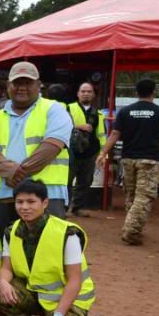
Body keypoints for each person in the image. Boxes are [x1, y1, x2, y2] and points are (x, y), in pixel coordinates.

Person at [0, 179, 110, 316]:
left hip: (66, 299)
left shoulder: (67, 233)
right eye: (20, 202)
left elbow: (75, 281)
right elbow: (6, 267)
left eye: (31, 202)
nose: (24, 207)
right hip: (36, 293)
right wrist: (3, 281)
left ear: (45, 203)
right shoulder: (12, 231)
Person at [0, 61, 73, 235]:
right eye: (17, 83)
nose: (22, 87)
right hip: (5, 195)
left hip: (47, 197)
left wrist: (17, 174)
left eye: (28, 83)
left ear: (39, 85)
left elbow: (51, 148)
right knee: (7, 251)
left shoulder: (54, 110)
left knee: (48, 250)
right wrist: (11, 170)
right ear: (8, 85)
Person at [97, 78, 159, 245]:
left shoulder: (125, 111)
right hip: (149, 159)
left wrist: (103, 153)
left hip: (128, 159)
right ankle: (132, 230)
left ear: (136, 93)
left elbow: (115, 134)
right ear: (154, 91)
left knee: (131, 194)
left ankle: (132, 226)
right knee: (144, 196)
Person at [65, 82, 106, 217]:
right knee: (66, 181)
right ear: (78, 94)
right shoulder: (68, 108)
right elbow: (61, 127)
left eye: (89, 91)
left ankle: (77, 208)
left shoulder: (98, 114)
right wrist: (78, 126)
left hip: (90, 153)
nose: (86, 94)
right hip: (71, 152)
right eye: (83, 91)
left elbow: (101, 135)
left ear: (93, 95)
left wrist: (103, 154)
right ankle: (64, 209)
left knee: (85, 181)